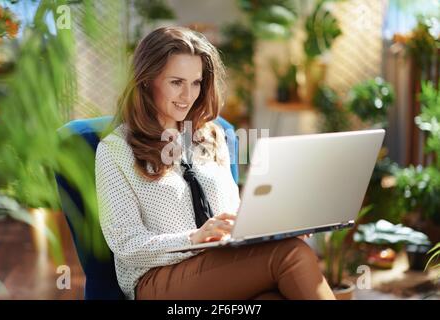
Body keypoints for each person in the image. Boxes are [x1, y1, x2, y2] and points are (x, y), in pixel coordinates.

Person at [95, 26, 335, 300]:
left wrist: (272, 230)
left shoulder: (211, 134)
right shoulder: (115, 150)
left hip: (222, 263)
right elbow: (126, 244)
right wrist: (193, 238)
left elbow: (231, 213)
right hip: (157, 278)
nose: (188, 95)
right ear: (147, 80)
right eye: (176, 82)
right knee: (292, 254)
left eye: (196, 83)